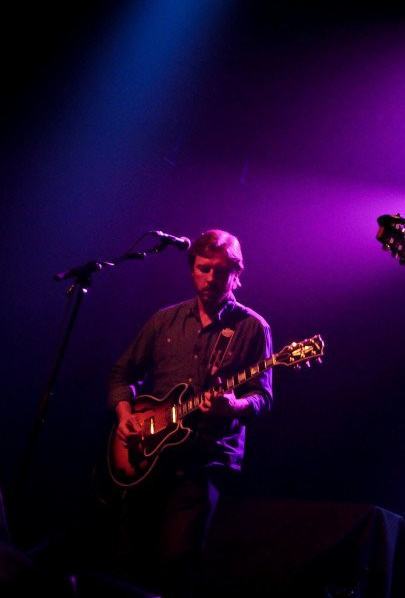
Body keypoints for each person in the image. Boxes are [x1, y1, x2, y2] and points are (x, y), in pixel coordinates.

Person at [105, 229, 273, 596]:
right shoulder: (164, 320)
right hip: (147, 456)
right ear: (191, 269)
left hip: (203, 460)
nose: (211, 278)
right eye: (203, 269)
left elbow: (261, 396)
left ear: (237, 272)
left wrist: (235, 405)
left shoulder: (251, 328)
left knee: (175, 563)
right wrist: (124, 416)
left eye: (221, 271)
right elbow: (122, 374)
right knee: (127, 556)